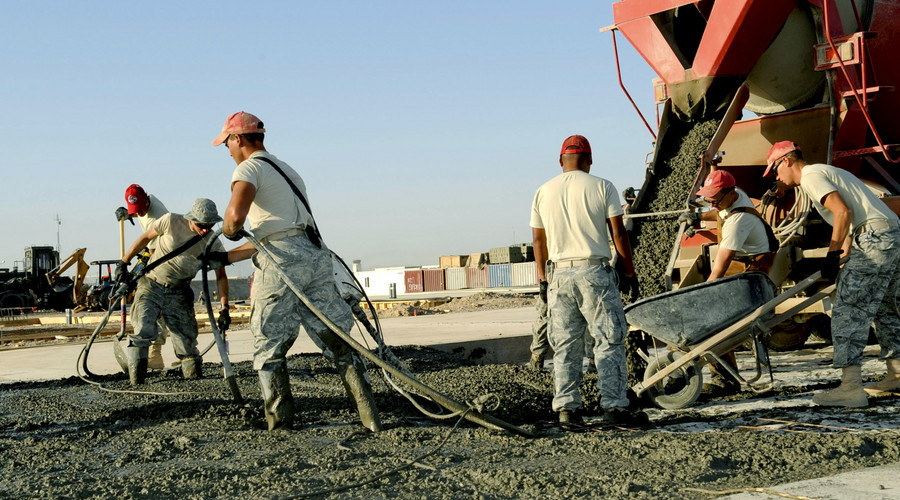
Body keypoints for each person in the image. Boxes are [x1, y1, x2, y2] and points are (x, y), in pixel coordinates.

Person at [213, 111, 382, 432]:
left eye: (228, 145)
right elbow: (277, 236)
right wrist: (225, 259)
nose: (229, 152)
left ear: (237, 139)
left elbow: (235, 221)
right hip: (315, 256)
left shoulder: (248, 168)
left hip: (283, 261)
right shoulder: (287, 171)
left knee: (268, 346)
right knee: (340, 341)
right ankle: (370, 418)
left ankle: (280, 426)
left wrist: (229, 231)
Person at [765, 140, 900, 406]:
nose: (776, 177)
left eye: (775, 170)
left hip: (874, 237)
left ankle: (850, 387)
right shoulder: (828, 171)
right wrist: (843, 256)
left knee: (847, 310)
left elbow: (842, 212)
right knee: (887, 308)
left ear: (787, 161)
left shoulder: (811, 176)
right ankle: (897, 375)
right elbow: (852, 218)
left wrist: (832, 253)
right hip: (890, 234)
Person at [531, 134, 644, 426]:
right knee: (607, 340)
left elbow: (538, 240)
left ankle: (568, 411)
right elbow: (619, 234)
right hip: (594, 273)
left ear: (560, 161)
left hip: (559, 275)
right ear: (590, 160)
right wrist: (628, 273)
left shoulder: (543, 191)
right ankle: (614, 408)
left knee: (566, 345)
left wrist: (543, 280)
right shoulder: (603, 187)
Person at [679, 169, 779, 394]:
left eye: (715, 200)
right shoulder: (733, 199)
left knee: (714, 320)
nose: (712, 205)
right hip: (743, 263)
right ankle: (725, 374)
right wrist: (697, 216)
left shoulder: (738, 221)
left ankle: (724, 379)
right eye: (709, 199)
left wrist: (704, 296)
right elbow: (718, 214)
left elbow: (720, 267)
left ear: (731, 193)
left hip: (752, 273)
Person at [115, 198, 230, 386]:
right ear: (191, 218)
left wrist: (224, 308)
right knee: (143, 329)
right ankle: (137, 385)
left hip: (180, 292)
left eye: (209, 226)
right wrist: (124, 262)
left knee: (187, 343)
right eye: (201, 225)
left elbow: (221, 276)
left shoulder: (212, 242)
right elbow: (145, 238)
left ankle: (194, 384)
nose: (204, 230)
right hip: (151, 284)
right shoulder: (170, 221)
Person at [115, 184, 171, 370]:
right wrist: (128, 213)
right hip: (155, 253)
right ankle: (149, 353)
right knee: (146, 304)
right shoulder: (145, 203)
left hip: (164, 261)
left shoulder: (156, 216)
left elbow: (152, 250)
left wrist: (131, 266)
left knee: (154, 304)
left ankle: (155, 354)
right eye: (135, 210)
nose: (139, 213)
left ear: (147, 199)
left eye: (140, 210)